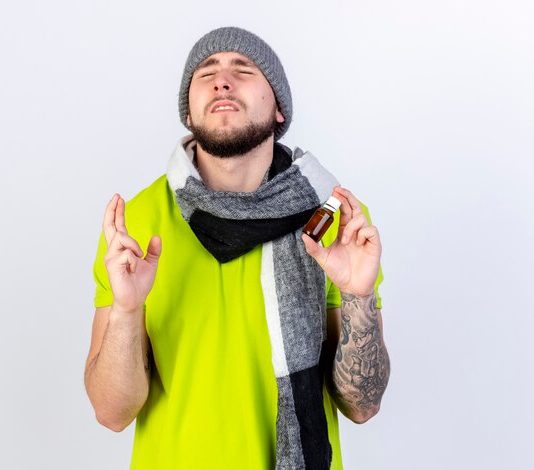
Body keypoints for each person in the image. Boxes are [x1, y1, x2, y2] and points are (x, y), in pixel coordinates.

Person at [84, 26, 390, 470]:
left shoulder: (334, 223)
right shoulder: (134, 225)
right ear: (188, 112)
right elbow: (112, 413)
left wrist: (358, 296)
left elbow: (363, 406)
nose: (222, 80)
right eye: (206, 72)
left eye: (243, 69)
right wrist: (127, 312)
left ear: (279, 109)